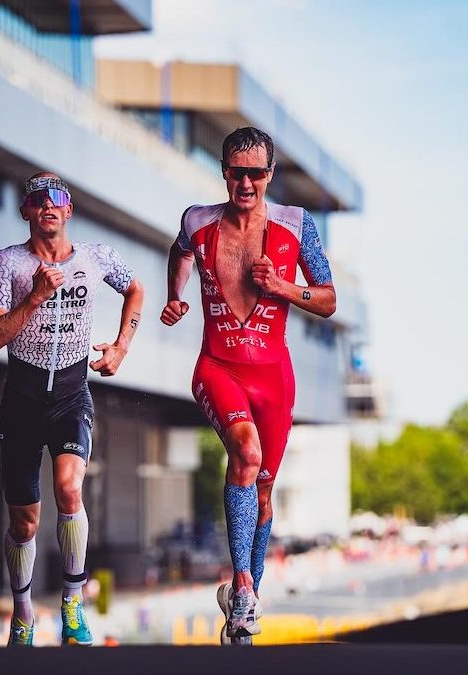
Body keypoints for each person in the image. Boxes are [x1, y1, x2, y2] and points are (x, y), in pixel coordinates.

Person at [160, 127, 336, 643]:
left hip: (273, 377)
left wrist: (281, 286)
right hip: (218, 367)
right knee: (246, 453)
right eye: (238, 172)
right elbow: (179, 253)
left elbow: (327, 299)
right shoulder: (198, 220)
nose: (247, 183)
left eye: (257, 173)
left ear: (270, 174)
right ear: (224, 171)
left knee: (262, 492)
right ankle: (240, 584)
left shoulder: (296, 225)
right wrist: (176, 295)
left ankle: (244, 610)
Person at [0, 173, 144, 646]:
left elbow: (135, 289)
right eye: (38, 199)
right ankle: (24, 612)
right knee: (24, 521)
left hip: (73, 394)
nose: (48, 205)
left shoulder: (96, 259)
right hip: (22, 401)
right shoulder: (7, 264)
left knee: (70, 488)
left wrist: (121, 346)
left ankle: (73, 603)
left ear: (69, 210)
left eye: (57, 198)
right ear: (27, 211)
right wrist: (34, 296)